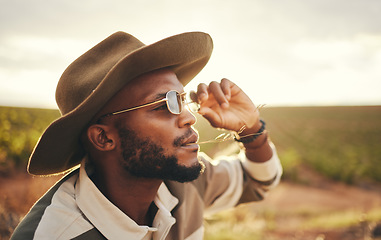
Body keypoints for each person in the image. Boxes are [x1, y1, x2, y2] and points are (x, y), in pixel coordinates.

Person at [11, 31, 282, 240]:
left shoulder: (179, 184)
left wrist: (251, 128)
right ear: (103, 138)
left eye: (182, 99)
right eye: (165, 104)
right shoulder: (56, 234)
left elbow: (258, 181)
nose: (189, 116)